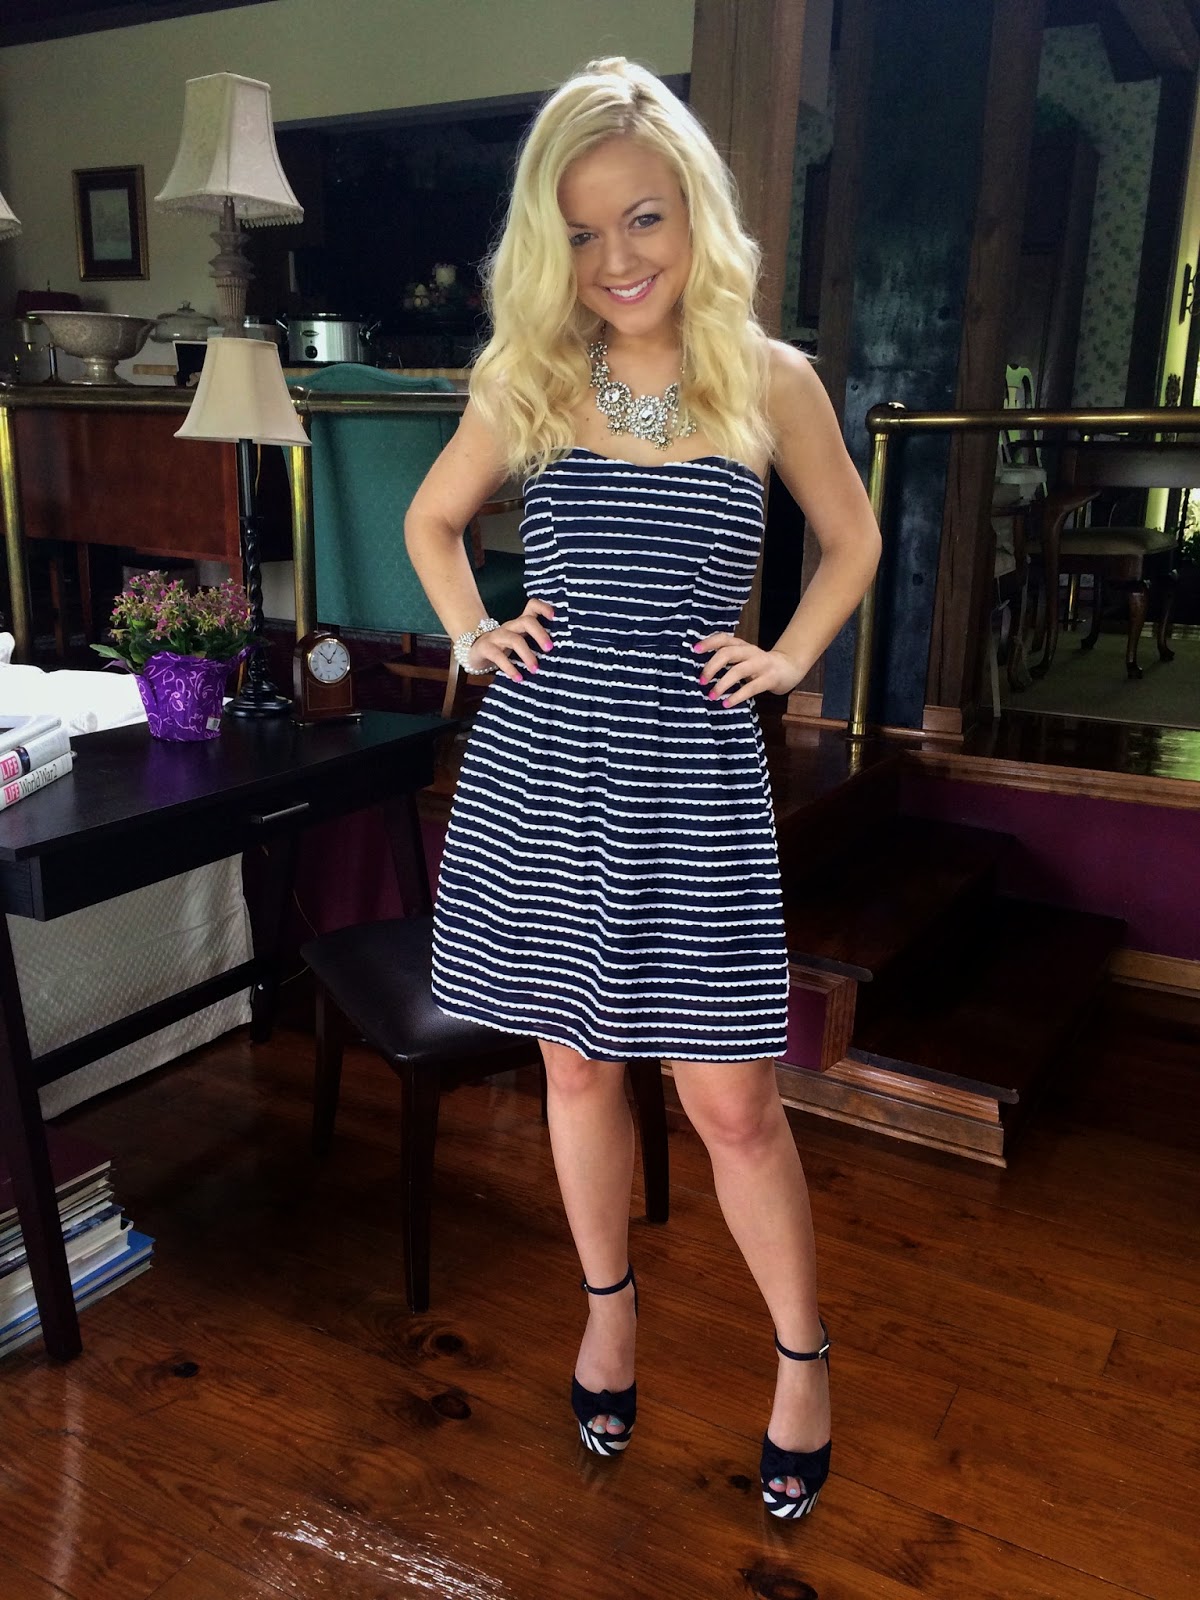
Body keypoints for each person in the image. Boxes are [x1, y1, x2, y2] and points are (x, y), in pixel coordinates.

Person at [405, 56, 880, 1520]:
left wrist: (789, 657)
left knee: (733, 1105)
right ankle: (608, 1315)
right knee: (574, 1067)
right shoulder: (533, 380)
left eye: (644, 218)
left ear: (696, 213)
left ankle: (802, 1358)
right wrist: (473, 633)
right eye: (583, 232)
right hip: (545, 768)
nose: (617, 258)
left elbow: (853, 540)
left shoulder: (769, 376)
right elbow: (433, 520)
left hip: (693, 778)